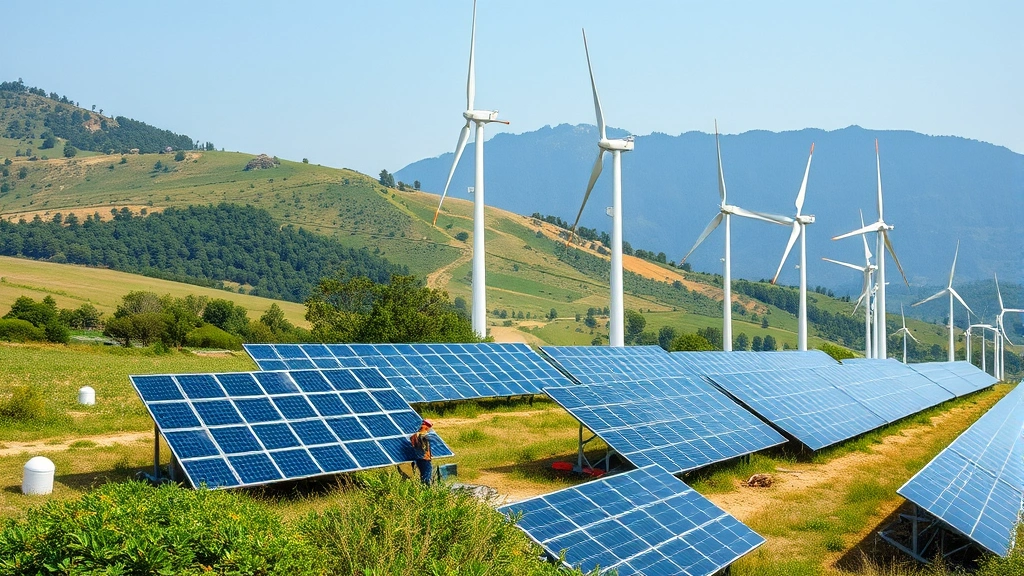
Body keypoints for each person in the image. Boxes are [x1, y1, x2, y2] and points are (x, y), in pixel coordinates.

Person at [410, 419, 433, 484]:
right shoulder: (424, 436)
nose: (429, 429)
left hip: (419, 459)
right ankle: (426, 489)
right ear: (426, 427)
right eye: (429, 427)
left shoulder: (414, 436)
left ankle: (423, 487)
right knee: (426, 477)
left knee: (423, 475)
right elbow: (423, 447)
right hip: (425, 459)